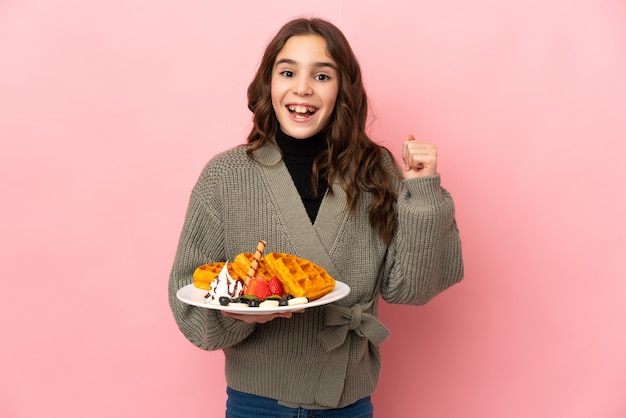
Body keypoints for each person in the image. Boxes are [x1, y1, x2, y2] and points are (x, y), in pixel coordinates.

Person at [168, 17, 464, 417]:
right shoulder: (225, 176)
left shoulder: (376, 170)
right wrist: (241, 314)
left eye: (322, 75)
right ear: (268, 83)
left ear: (342, 88)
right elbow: (189, 298)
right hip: (257, 404)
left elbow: (409, 289)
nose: (302, 88)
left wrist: (423, 193)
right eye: (287, 71)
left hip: (348, 401)